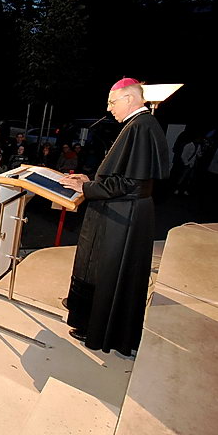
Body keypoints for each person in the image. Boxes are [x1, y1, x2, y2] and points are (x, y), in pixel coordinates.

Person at [59, 78, 170, 356]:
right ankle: (94, 324)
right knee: (107, 272)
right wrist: (90, 180)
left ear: (129, 98)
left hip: (123, 216)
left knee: (109, 273)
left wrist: (86, 188)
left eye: (112, 102)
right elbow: (122, 175)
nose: (109, 108)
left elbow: (129, 184)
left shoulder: (140, 127)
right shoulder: (140, 125)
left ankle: (101, 331)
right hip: (125, 211)